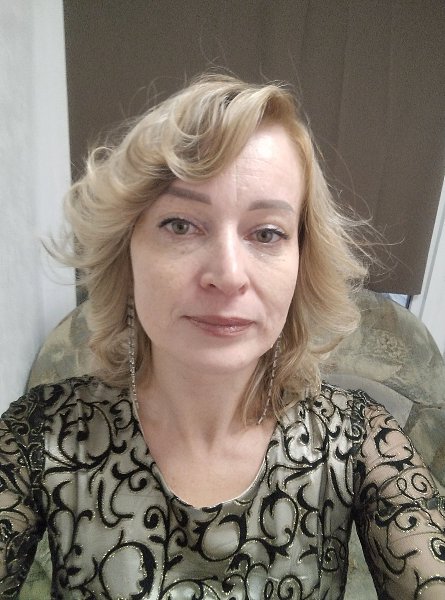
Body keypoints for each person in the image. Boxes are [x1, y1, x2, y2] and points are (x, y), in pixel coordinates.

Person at [1, 74, 444, 600]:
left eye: (267, 233)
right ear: (126, 252)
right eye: (181, 225)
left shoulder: (362, 441)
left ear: (301, 263)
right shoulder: (38, 437)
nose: (229, 275)